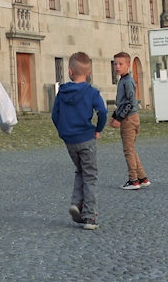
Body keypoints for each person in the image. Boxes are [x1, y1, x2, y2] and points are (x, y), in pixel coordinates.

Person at [52, 52, 109, 230]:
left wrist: (63, 131)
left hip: (70, 141)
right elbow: (103, 112)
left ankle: (77, 203)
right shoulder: (91, 92)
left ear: (70, 72)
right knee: (90, 175)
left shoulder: (62, 92)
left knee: (80, 171)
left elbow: (55, 115)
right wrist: (98, 129)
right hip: (86, 137)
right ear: (89, 72)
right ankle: (89, 216)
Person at [108, 52, 149, 190]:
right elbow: (122, 102)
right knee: (131, 148)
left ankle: (133, 180)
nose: (117, 67)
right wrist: (115, 116)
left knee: (128, 150)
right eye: (115, 64)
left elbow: (131, 103)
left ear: (128, 65)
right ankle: (142, 177)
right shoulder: (123, 80)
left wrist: (119, 118)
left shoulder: (128, 81)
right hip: (126, 117)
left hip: (129, 119)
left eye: (121, 64)